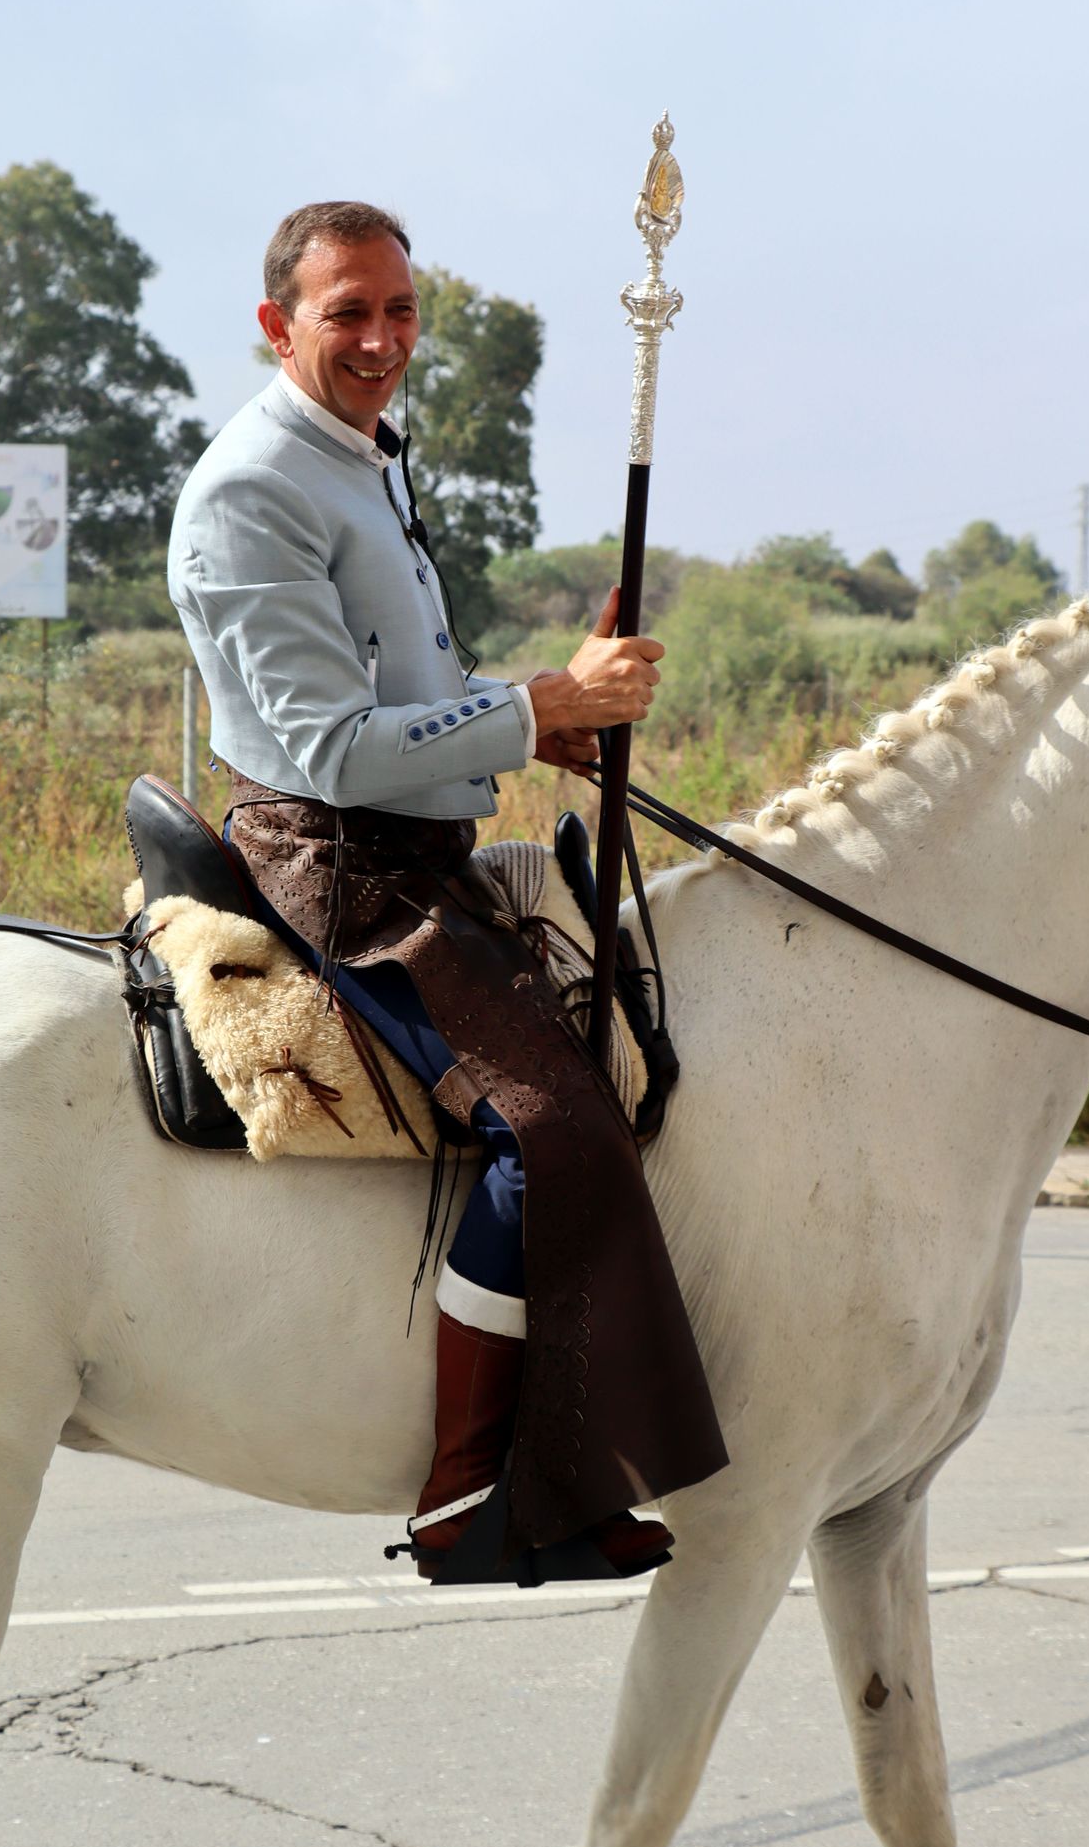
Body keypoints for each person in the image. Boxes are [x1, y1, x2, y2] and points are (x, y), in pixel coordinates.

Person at [168, 200, 725, 1581]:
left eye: (400, 311)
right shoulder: (255, 489)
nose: (381, 339)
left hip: (413, 845)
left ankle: (589, 1448)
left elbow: (410, 694)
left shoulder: (359, 457)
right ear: (277, 324)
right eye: (347, 312)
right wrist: (534, 709)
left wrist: (543, 715)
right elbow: (333, 749)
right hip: (340, 865)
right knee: (553, 1123)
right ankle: (467, 1492)